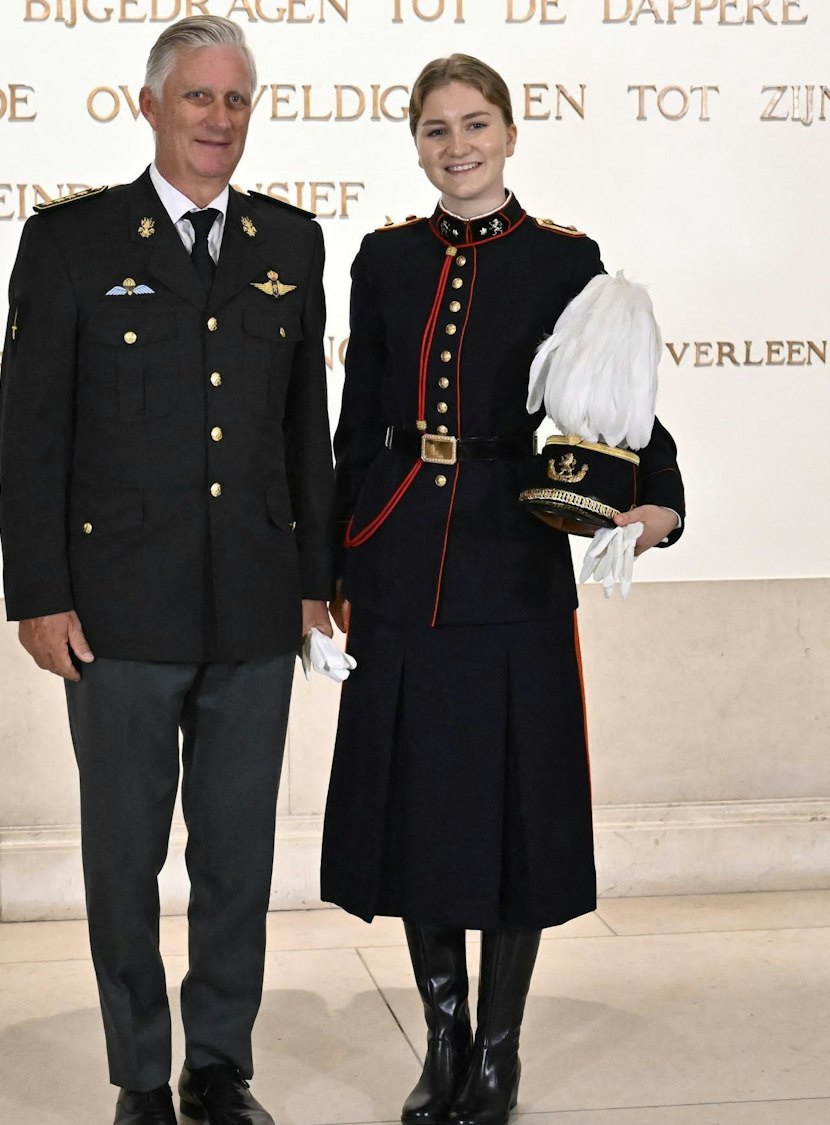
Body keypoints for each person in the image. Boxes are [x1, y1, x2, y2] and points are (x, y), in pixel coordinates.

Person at [320, 54, 687, 1125]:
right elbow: (355, 424)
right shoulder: (383, 258)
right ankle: (439, 1038)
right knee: (414, 805)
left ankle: (497, 1051)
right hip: (393, 552)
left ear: (512, 134)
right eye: (435, 130)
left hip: (507, 558)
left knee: (509, 807)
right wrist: (329, 566)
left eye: (474, 125)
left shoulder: (563, 260)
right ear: (415, 144)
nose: (456, 146)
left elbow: (613, 399)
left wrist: (657, 497)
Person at [0, 16, 336, 1125]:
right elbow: (30, 433)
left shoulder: (288, 244)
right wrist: (38, 593)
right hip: (116, 612)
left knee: (236, 857)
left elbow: (302, 432)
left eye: (236, 101)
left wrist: (314, 579)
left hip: (250, 604)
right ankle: (142, 1074)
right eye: (197, 98)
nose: (219, 121)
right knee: (125, 857)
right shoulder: (74, 243)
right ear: (148, 106)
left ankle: (218, 1065)